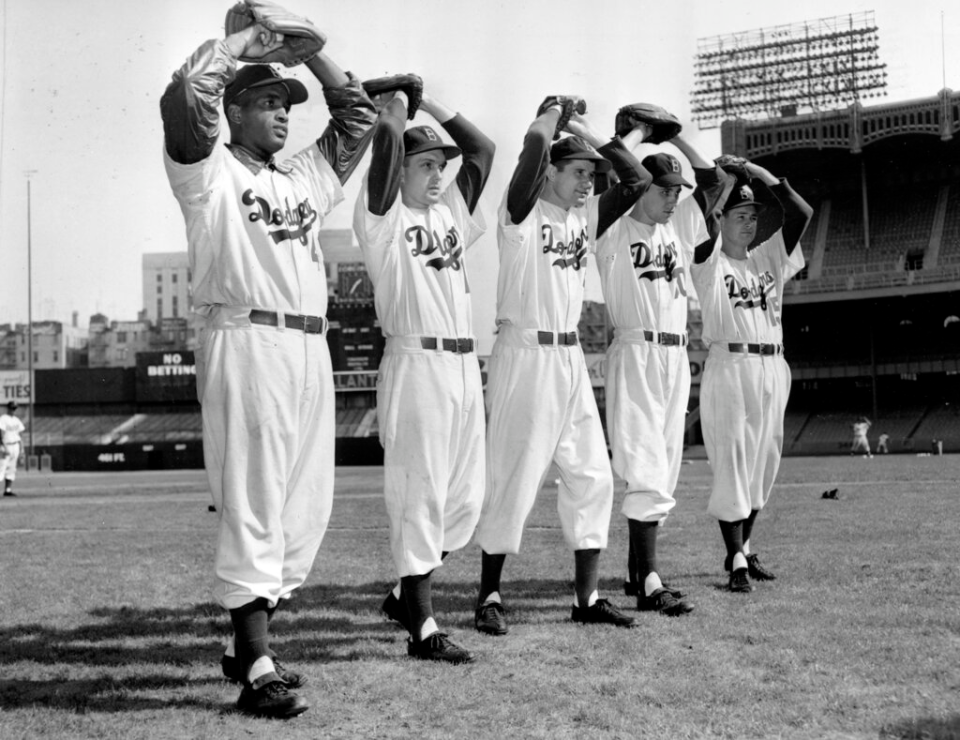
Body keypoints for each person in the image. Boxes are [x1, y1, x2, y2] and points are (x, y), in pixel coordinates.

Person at [160, 15, 376, 718]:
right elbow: (188, 92)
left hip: (308, 348)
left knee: (301, 514)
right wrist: (243, 49)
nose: (282, 112)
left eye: (287, 103)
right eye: (266, 101)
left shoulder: (305, 173)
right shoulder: (209, 171)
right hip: (245, 336)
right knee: (254, 500)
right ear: (235, 111)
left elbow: (357, 115)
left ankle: (253, 646)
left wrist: (314, 56)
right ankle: (255, 668)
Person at [473, 98, 649, 636]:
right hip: (523, 352)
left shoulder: (583, 216)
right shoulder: (521, 213)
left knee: (592, 474)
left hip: (568, 355)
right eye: (577, 172)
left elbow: (636, 179)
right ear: (551, 171)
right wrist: (550, 116)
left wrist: (584, 130)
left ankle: (587, 597)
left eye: (590, 175)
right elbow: (529, 152)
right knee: (513, 477)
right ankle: (489, 595)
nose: (587, 184)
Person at [353, 87, 495, 664]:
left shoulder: (450, 212)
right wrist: (395, 110)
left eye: (441, 164)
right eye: (426, 165)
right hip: (416, 361)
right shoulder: (382, 220)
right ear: (402, 171)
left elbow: (481, 150)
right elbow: (384, 158)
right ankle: (424, 628)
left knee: (463, 505)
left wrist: (431, 98)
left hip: (464, 365)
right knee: (420, 497)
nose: (438, 174)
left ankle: (400, 598)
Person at [595, 116, 729, 617]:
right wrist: (637, 136)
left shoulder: (676, 228)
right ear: (643, 187)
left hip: (675, 356)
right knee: (645, 464)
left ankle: (637, 573)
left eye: (677, 189)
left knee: (664, 469)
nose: (674, 197)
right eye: (664, 188)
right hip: (635, 349)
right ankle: (651, 581)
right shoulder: (613, 228)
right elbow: (619, 164)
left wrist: (667, 136)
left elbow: (711, 180)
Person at [690, 158, 813, 594]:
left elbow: (801, 212)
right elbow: (705, 218)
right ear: (722, 220)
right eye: (739, 216)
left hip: (773, 366)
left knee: (764, 465)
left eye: (753, 216)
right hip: (732, 363)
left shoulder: (768, 258)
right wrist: (724, 187)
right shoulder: (708, 262)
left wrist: (754, 171)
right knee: (734, 462)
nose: (748, 222)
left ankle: (744, 547)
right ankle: (737, 560)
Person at [0, 401, 25, 496]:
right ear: (8, 408)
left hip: (15, 446)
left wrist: (22, 449)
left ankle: (8, 490)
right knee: (1, 468)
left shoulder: (16, 420)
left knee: (12, 469)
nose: (13, 410)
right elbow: (1, 434)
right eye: (11, 408)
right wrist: (4, 446)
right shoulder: (3, 419)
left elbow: (20, 436)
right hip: (6, 445)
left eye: (14, 408)